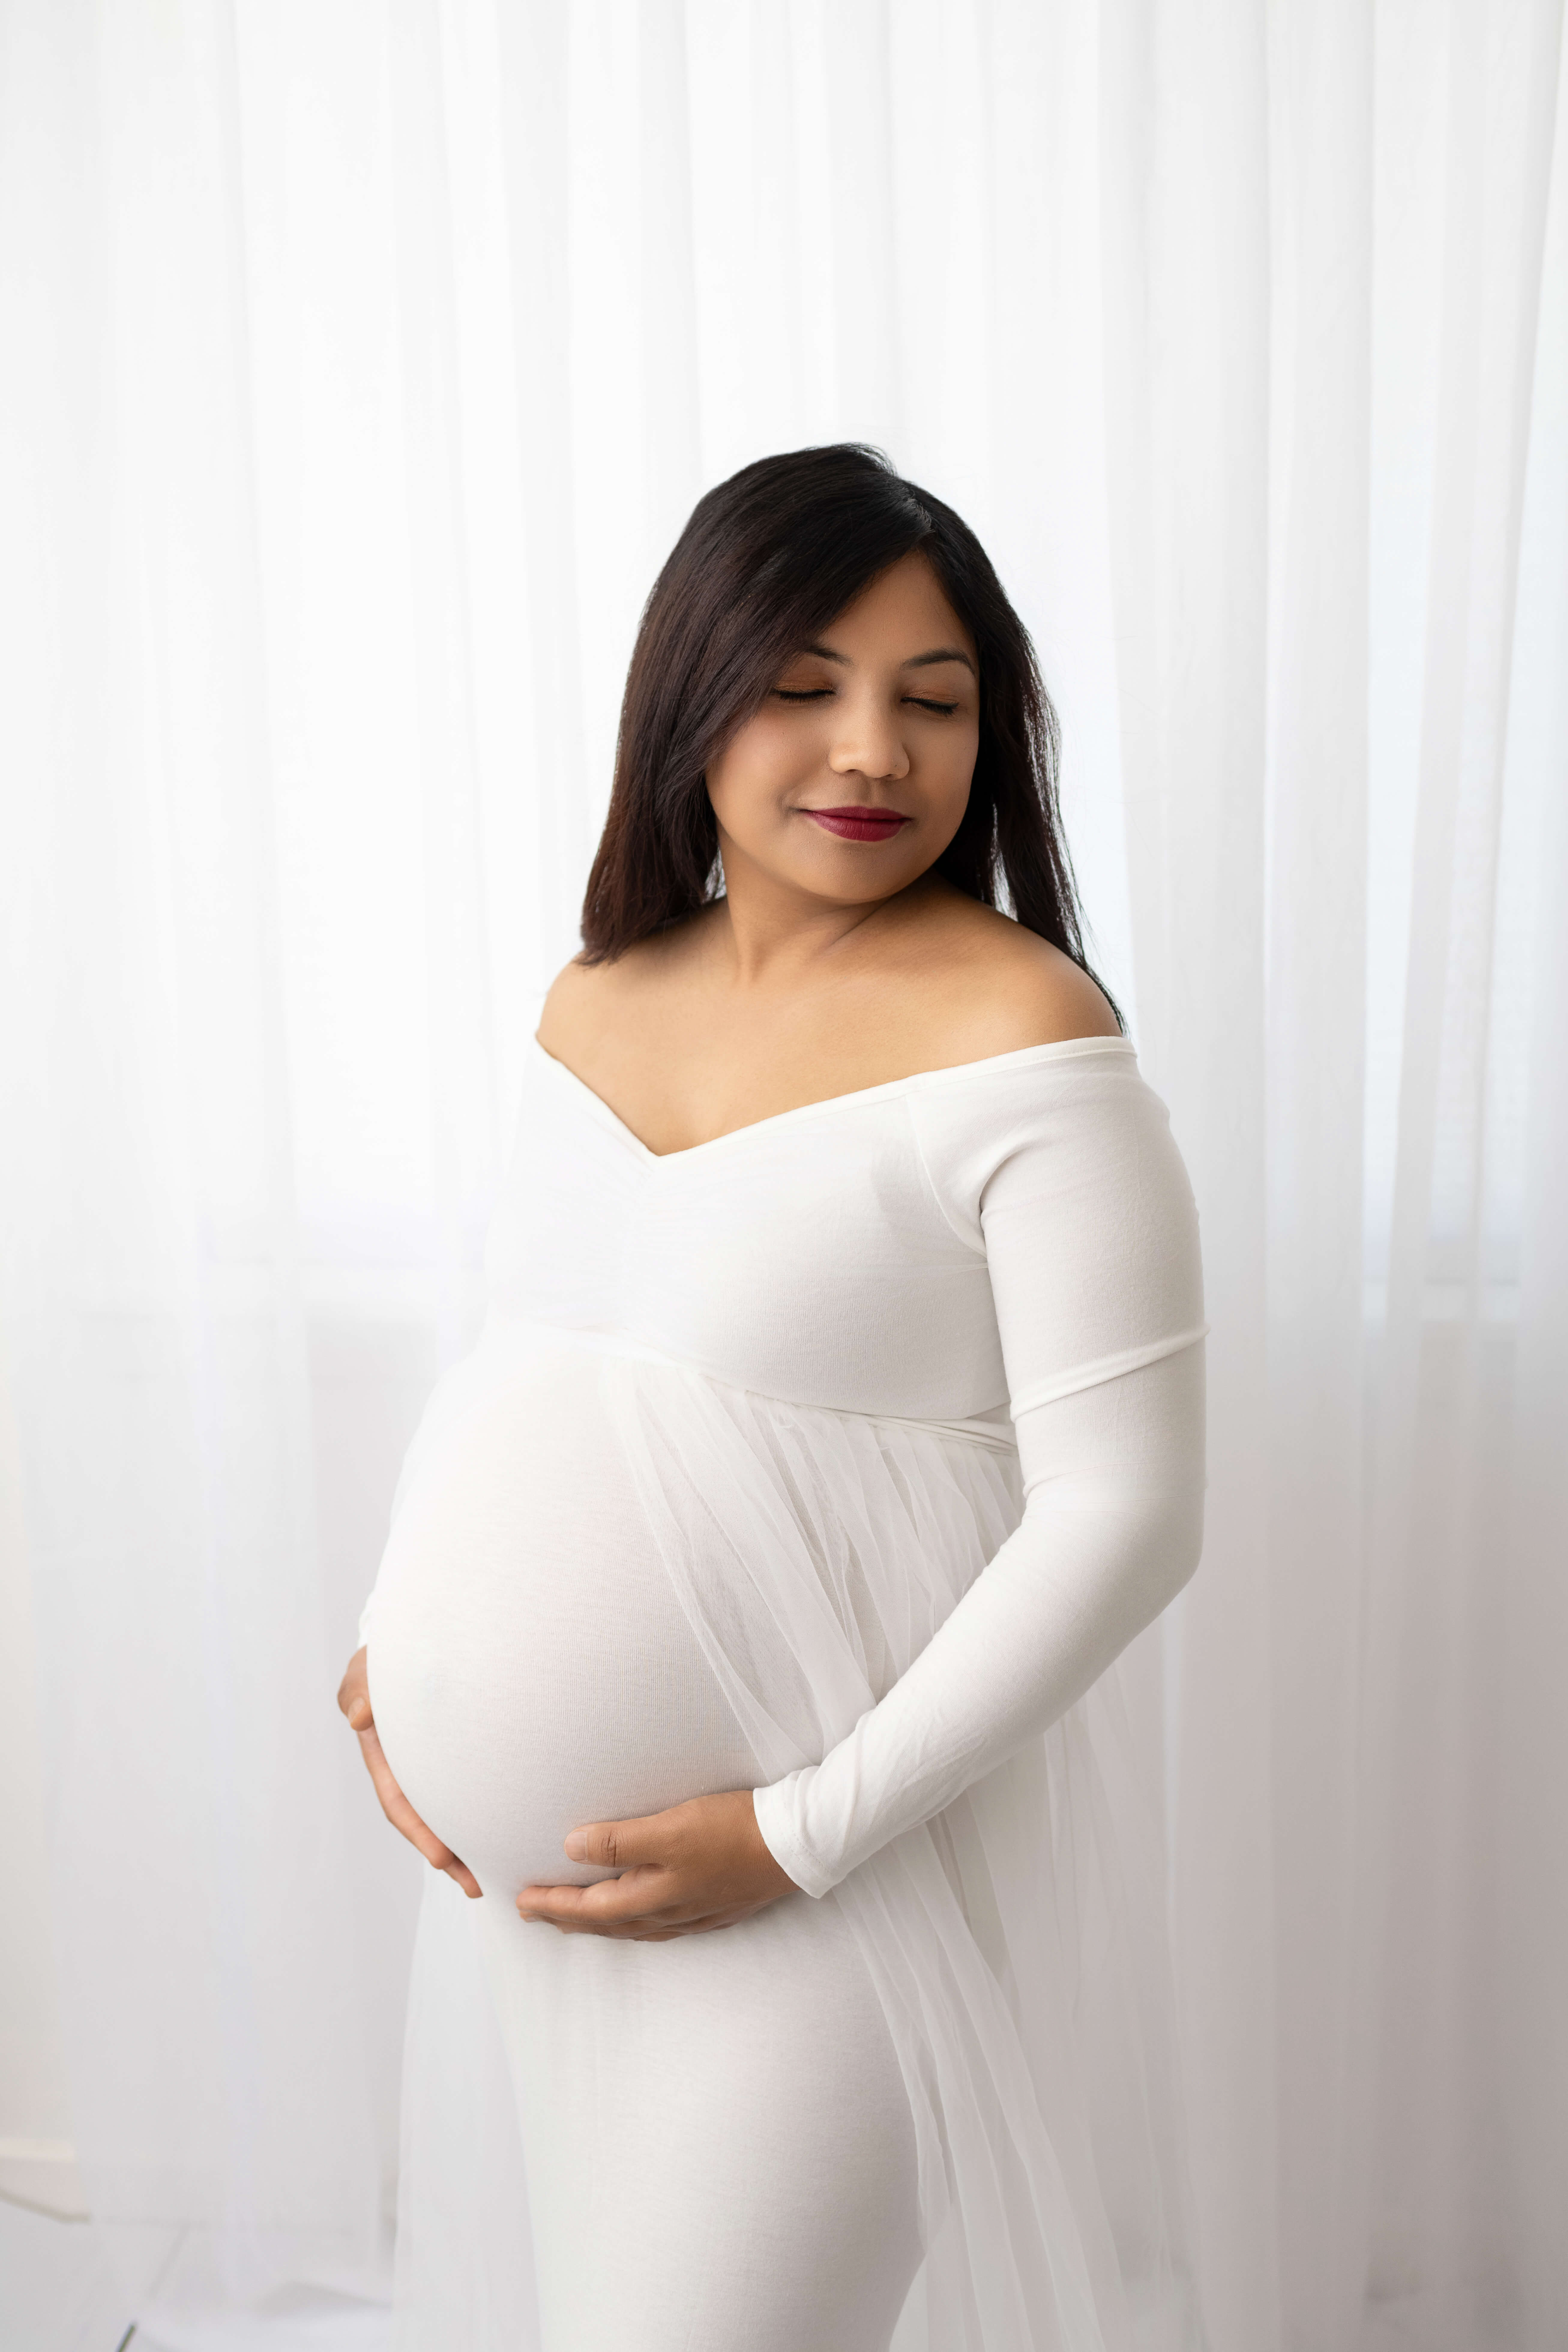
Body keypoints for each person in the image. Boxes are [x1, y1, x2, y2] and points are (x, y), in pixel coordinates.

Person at [337, 444, 1208, 2352]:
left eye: (935, 699)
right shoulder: (598, 995)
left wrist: (800, 1832)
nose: (874, 749)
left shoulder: (1028, 1040)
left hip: (824, 1901)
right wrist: (391, 1639)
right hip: (519, 1898)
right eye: (807, 684)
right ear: (695, 698)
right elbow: (521, 1352)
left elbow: (1129, 1516)